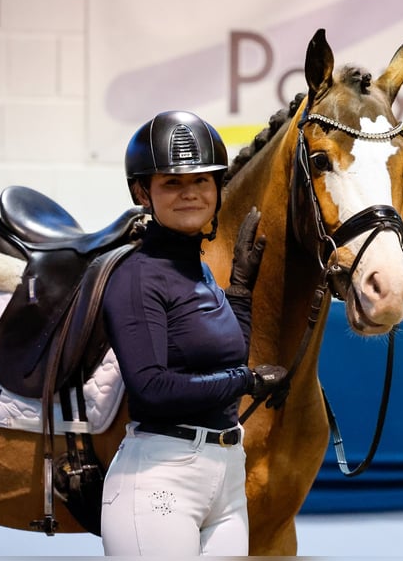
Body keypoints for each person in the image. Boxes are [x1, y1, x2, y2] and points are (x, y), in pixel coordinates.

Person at [99, 110, 288, 556]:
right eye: (172, 183)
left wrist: (239, 290)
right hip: (160, 480)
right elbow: (152, 388)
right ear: (142, 191)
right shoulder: (135, 277)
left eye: (201, 182)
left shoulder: (200, 271)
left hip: (224, 473)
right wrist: (249, 382)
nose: (191, 194)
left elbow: (228, 361)